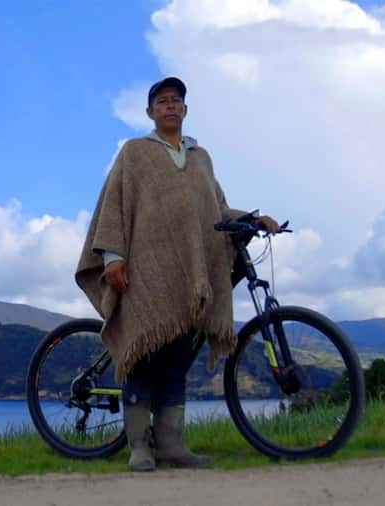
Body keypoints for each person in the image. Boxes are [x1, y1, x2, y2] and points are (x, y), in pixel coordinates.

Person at [75, 77, 279, 472]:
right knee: (143, 358)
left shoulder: (201, 158)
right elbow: (114, 205)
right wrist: (114, 257)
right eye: (162, 101)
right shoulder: (135, 153)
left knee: (174, 361)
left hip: (188, 278)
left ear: (185, 110)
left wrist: (253, 219)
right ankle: (138, 447)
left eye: (177, 101)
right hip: (143, 273)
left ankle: (171, 446)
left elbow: (216, 212)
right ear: (150, 112)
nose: (170, 106)